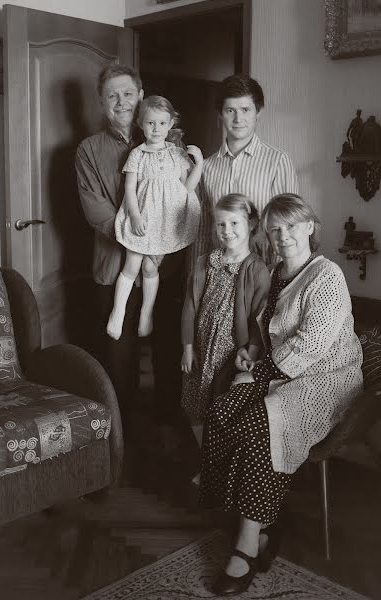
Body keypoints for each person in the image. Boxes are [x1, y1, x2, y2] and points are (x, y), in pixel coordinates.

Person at [199, 194, 363, 596]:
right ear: (267, 235)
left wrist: (255, 376)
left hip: (327, 380)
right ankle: (265, 524)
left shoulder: (327, 277)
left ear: (310, 226)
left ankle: (247, 546)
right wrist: (249, 355)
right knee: (221, 410)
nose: (283, 235)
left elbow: (311, 344)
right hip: (281, 373)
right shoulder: (275, 274)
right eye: (275, 229)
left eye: (291, 226)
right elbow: (265, 332)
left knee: (260, 426)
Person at [75, 65, 186, 436]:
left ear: (141, 96)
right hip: (114, 266)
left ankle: (167, 425)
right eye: (111, 95)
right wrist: (140, 242)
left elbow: (182, 197)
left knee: (166, 350)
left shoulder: (169, 140)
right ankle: (126, 440)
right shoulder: (89, 150)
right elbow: (96, 211)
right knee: (118, 359)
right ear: (102, 103)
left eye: (127, 93)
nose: (120, 102)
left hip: (162, 264)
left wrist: (160, 246)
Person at [180, 193, 270, 455]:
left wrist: (251, 352)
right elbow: (189, 306)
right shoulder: (206, 262)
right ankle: (206, 458)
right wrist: (187, 346)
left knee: (219, 405)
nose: (227, 231)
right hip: (201, 345)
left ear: (250, 224)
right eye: (221, 224)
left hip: (230, 352)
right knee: (194, 405)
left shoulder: (256, 269)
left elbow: (259, 318)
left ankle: (218, 462)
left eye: (234, 224)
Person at [107, 95, 202, 341]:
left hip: (165, 221)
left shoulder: (177, 154)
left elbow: (187, 188)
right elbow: (129, 189)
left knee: (150, 267)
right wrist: (135, 217)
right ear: (141, 123)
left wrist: (199, 164)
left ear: (171, 124)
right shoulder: (137, 154)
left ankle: (146, 313)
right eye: (150, 123)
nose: (156, 129)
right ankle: (118, 312)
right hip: (144, 218)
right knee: (132, 265)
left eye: (162, 123)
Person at [190, 74, 298, 267]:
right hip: (219, 274)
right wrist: (196, 278)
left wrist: (282, 282)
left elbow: (289, 228)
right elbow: (203, 232)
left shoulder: (278, 162)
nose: (238, 118)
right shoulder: (206, 167)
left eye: (245, 109)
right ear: (221, 114)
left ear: (258, 112)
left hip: (265, 273)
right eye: (230, 110)